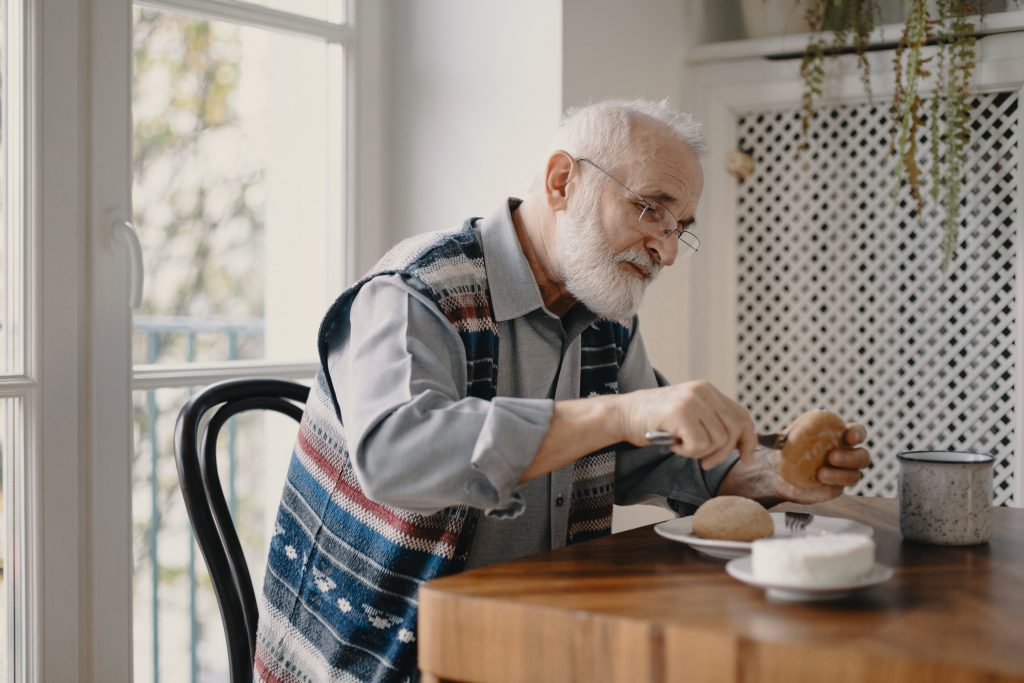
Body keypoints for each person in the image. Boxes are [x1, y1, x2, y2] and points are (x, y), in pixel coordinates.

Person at [253, 99, 871, 683]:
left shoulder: (606, 313)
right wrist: (621, 411)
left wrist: (773, 477)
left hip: (537, 634)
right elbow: (397, 456)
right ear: (561, 182)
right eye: (651, 209)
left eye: (679, 226)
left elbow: (639, 452)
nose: (666, 251)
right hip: (377, 659)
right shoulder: (414, 290)